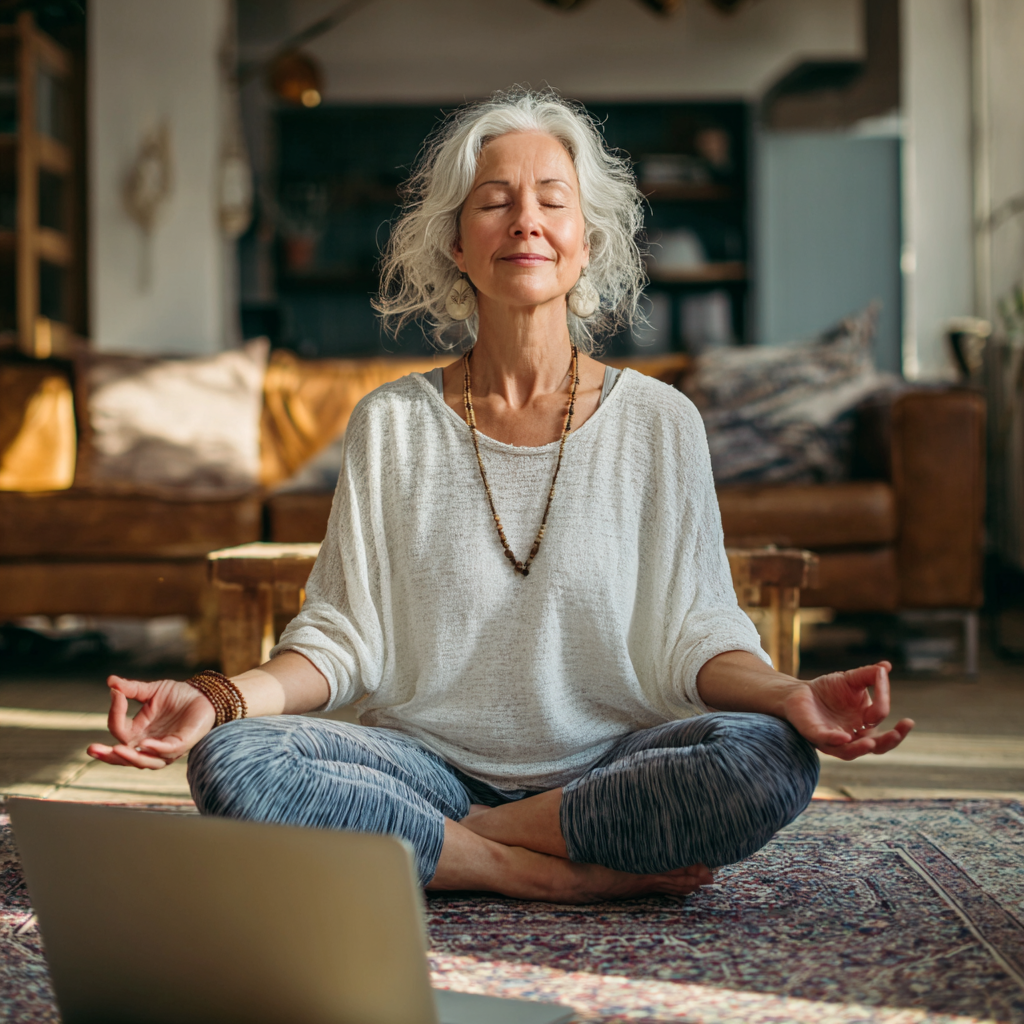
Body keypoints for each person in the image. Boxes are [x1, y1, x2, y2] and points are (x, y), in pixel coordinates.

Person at [87, 89, 913, 905]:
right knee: (234, 761)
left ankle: (442, 847)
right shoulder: (391, 423)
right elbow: (340, 642)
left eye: (552, 201)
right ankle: (550, 872)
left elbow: (698, 634)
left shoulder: (661, 421)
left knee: (769, 756)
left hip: (610, 767)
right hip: (421, 766)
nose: (526, 221)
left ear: (587, 242)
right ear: (455, 241)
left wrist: (790, 694)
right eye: (495, 201)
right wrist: (216, 697)